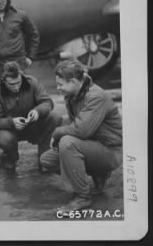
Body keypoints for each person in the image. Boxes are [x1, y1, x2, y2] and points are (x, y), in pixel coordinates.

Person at [40, 60, 122, 214]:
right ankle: (97, 173)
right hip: (93, 146)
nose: (58, 88)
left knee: (67, 143)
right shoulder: (74, 94)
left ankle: (82, 197)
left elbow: (81, 130)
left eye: (60, 84)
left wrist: (57, 133)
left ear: (73, 81)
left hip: (111, 151)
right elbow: (76, 127)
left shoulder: (95, 96)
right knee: (47, 159)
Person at [0, 61, 62, 170]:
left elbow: (47, 102)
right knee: (4, 138)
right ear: (3, 81)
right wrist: (12, 122)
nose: (16, 87)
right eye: (11, 84)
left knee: (54, 117)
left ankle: (45, 159)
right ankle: (11, 157)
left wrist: (37, 111)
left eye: (18, 82)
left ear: (21, 76)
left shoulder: (32, 82)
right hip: (12, 129)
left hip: (34, 125)